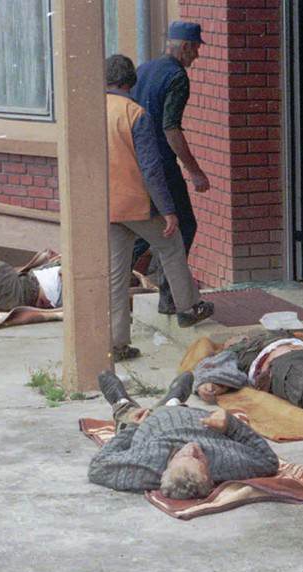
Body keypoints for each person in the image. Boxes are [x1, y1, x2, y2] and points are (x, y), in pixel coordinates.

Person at [106, 53, 212, 360]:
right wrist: (168, 210)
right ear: (131, 82)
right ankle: (188, 308)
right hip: (137, 204)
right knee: (172, 245)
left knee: (116, 274)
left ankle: (117, 344)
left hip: (107, 206)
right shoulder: (134, 113)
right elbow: (151, 168)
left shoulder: (91, 112)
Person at [87, 370, 280, 498]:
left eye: (185, 455)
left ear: (166, 468)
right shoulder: (228, 464)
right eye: (199, 458)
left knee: (127, 414)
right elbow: (269, 461)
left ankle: (121, 402)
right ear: (211, 477)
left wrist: (132, 428)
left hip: (150, 422)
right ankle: (173, 399)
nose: (192, 447)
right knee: (173, 405)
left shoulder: (144, 466)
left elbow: (97, 467)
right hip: (189, 414)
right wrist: (231, 425)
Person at [134, 21, 210, 318]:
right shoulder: (177, 77)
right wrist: (195, 171)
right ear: (187, 47)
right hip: (162, 167)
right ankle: (171, 298)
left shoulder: (144, 69)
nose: (197, 57)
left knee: (141, 232)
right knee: (184, 225)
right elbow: (171, 129)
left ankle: (98, 289)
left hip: (138, 163)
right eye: (197, 49)